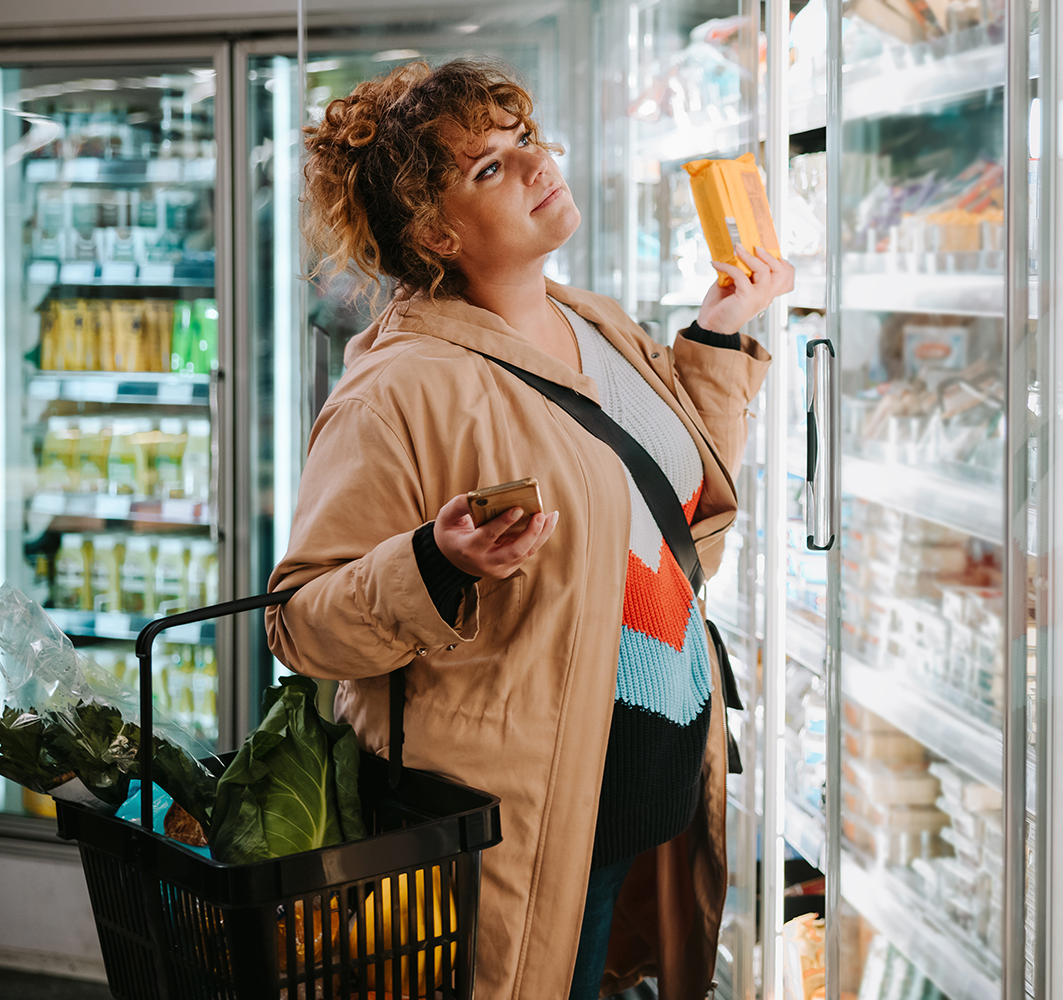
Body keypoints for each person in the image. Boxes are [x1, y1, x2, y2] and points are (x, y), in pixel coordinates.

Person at [265, 58, 792, 1000]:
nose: (537, 164)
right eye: (490, 169)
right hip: (533, 816)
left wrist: (716, 335)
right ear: (433, 230)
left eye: (525, 143)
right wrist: (435, 561)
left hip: (650, 785)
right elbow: (301, 623)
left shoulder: (591, 320)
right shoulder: (397, 391)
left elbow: (659, 509)